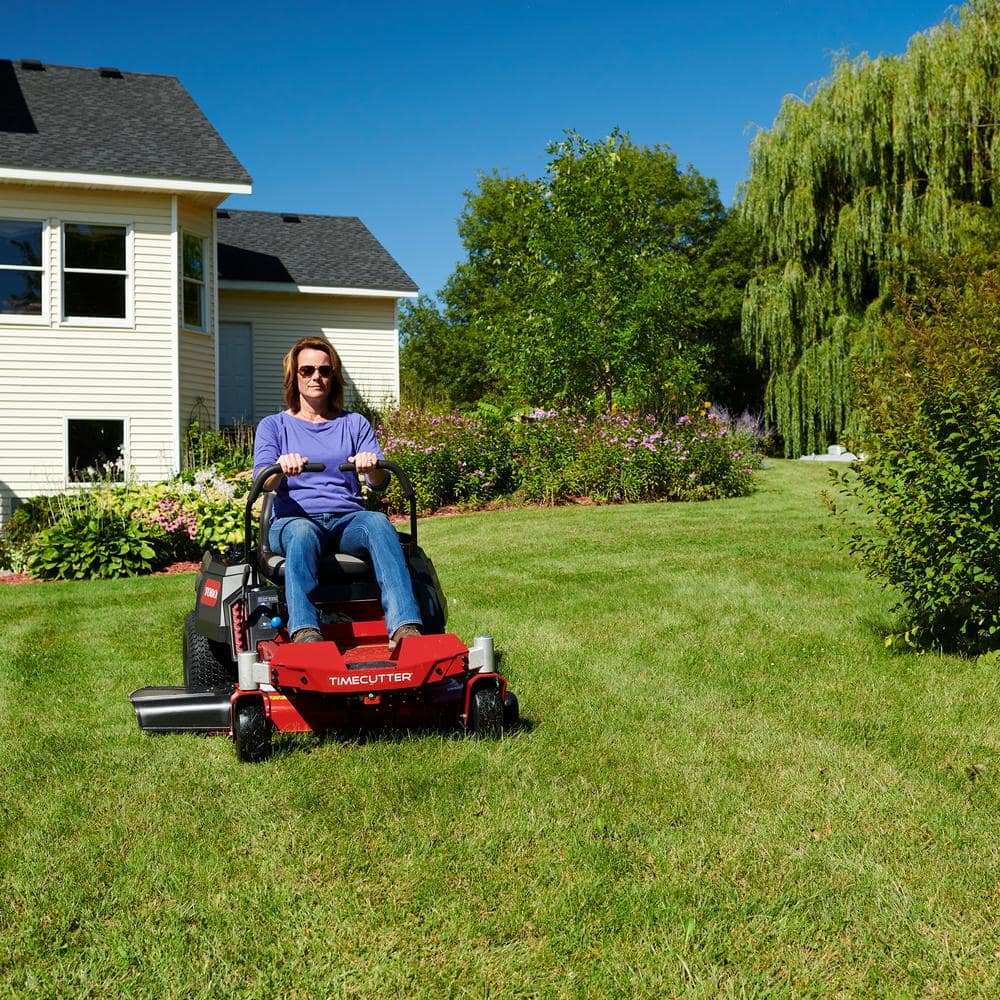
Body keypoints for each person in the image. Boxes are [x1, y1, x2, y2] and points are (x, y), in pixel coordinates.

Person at [252, 335, 423, 646]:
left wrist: (372, 466)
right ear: (294, 376)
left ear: (333, 376)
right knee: (303, 533)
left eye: (324, 370)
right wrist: (281, 465)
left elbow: (379, 482)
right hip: (293, 520)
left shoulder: (354, 424)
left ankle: (405, 627)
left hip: (347, 520)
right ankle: (305, 631)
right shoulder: (273, 426)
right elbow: (264, 482)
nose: (316, 376)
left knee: (378, 523)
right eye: (307, 370)